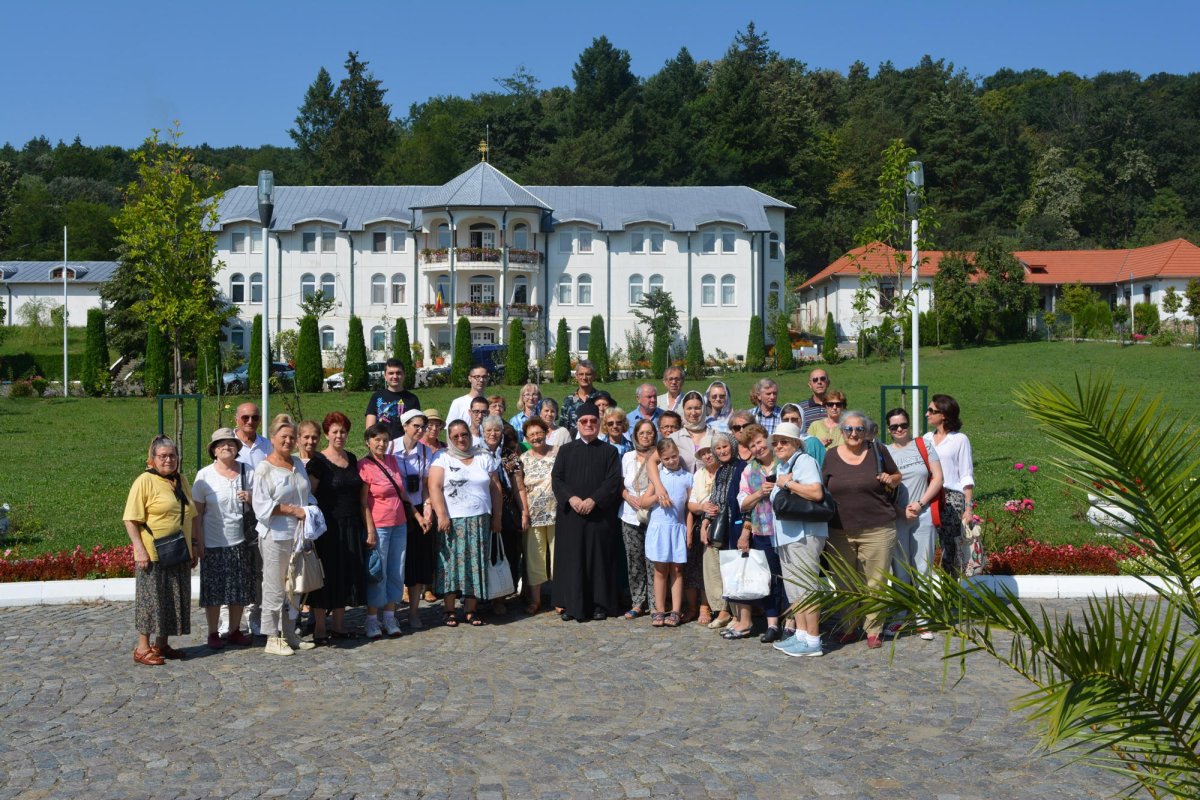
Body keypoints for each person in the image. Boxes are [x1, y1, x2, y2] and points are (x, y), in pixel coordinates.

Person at [822, 410, 902, 649]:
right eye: (848, 429)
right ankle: (849, 626)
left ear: (866, 431)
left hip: (878, 528)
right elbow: (822, 488)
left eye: (859, 429)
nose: (854, 433)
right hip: (839, 530)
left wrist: (891, 479)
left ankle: (873, 630)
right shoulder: (831, 456)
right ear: (841, 431)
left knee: (875, 582)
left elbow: (897, 476)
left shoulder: (878, 450)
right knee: (844, 581)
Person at [123, 435, 200, 666]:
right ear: (153, 458)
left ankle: (161, 644)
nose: (168, 460)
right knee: (151, 600)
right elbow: (130, 519)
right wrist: (139, 549)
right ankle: (142, 648)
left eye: (172, 455)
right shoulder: (144, 481)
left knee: (172, 598)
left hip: (178, 550)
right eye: (163, 456)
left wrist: (195, 545)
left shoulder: (180, 480)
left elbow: (192, 514)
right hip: (153, 553)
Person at [251, 415, 318, 656]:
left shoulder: (297, 463)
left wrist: (311, 511)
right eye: (283, 437)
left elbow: (306, 494)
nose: (288, 441)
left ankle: (290, 633)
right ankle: (272, 637)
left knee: (295, 586)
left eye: (292, 437)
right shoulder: (264, 469)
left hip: (299, 534)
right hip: (275, 535)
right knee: (275, 585)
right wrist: (293, 510)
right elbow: (261, 505)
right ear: (272, 439)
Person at [551, 402, 624, 622]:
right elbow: (557, 478)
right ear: (578, 424)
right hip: (571, 515)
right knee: (572, 559)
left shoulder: (609, 452)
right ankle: (571, 604)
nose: (589, 424)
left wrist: (594, 500)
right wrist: (571, 498)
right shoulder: (566, 451)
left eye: (593, 420)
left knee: (598, 560)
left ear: (599, 423)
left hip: (598, 515)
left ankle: (600, 604)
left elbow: (612, 481)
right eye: (584, 421)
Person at [427, 420, 503, 627]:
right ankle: (449, 609)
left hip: (480, 520)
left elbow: (495, 488)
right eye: (455, 436)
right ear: (450, 439)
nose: (461, 439)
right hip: (453, 521)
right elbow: (434, 487)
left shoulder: (483, 457)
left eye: (464, 435)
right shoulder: (442, 457)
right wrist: (441, 514)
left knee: (475, 564)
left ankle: (471, 609)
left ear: (470, 435)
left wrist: (497, 516)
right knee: (451, 565)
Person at [766, 422, 828, 657]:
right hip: (788, 535)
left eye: (784, 441)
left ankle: (813, 639)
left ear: (796, 443)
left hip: (804, 533)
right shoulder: (784, 465)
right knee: (794, 588)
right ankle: (801, 634)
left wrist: (787, 483)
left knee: (806, 586)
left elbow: (816, 492)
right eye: (776, 442)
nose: (779, 446)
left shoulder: (804, 461)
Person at [305, 412, 367, 643]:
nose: (339, 435)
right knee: (326, 577)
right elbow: (309, 495)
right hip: (328, 528)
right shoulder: (318, 462)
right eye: (335, 431)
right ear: (327, 434)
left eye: (343, 431)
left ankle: (339, 626)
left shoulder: (351, 458)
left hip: (351, 525)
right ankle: (320, 628)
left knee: (345, 574)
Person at [192, 428, 256, 650]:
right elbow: (197, 513)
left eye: (230, 443)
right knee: (214, 591)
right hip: (213, 542)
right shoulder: (204, 476)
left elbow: (262, 502)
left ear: (237, 448)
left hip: (241, 540)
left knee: (238, 589)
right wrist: (198, 541)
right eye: (221, 444)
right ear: (214, 450)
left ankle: (235, 630)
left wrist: (251, 498)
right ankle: (213, 632)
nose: (226, 447)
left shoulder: (248, 471)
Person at [884, 407, 944, 640]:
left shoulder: (923, 445)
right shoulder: (885, 452)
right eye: (894, 426)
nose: (899, 429)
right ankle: (900, 615)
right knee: (900, 569)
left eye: (903, 425)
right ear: (888, 429)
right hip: (898, 517)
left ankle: (923, 617)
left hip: (923, 514)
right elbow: (881, 489)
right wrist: (900, 511)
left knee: (922, 567)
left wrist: (920, 503)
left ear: (909, 425)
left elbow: (938, 478)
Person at [359, 422, 413, 639]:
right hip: (379, 525)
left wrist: (416, 514)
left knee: (396, 570)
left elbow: (402, 492)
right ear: (368, 442)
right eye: (377, 440)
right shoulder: (364, 466)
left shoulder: (392, 460)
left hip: (399, 523)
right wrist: (370, 530)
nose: (381, 444)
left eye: (385, 440)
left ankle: (390, 616)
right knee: (377, 573)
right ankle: (372, 619)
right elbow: (363, 502)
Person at [735, 424, 786, 643]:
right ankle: (772, 623)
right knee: (770, 579)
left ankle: (792, 622)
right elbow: (743, 503)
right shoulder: (749, 470)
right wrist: (759, 493)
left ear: (767, 439)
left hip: (788, 530)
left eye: (759, 442)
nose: (757, 448)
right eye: (752, 446)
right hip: (763, 531)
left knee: (790, 579)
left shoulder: (784, 462)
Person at [222, 401, 269, 638]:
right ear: (236, 419)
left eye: (255, 418)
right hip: (230, 516)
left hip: (259, 517)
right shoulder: (227, 444)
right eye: (245, 418)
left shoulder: (266, 446)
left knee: (258, 570)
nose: (250, 422)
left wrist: (255, 497)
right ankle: (226, 621)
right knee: (231, 570)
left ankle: (255, 617)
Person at [393, 409, 437, 629]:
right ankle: (390, 613)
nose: (420, 430)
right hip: (397, 509)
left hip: (419, 506)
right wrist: (417, 513)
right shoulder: (390, 448)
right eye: (416, 426)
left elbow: (426, 485)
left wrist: (428, 508)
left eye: (423, 426)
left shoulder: (426, 452)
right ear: (405, 426)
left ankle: (413, 612)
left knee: (417, 562)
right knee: (396, 562)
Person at [643, 439, 692, 627]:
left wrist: (688, 531)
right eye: (666, 459)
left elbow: (688, 508)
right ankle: (660, 609)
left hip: (677, 528)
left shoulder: (687, 477)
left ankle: (676, 610)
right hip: (660, 528)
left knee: (677, 570)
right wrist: (657, 496)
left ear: (678, 454)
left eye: (674, 457)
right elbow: (643, 502)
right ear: (660, 459)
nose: (671, 461)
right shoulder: (658, 477)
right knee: (660, 570)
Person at [924, 394, 976, 576]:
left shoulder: (959, 440)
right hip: (929, 496)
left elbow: (966, 475)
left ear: (944, 415)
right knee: (926, 546)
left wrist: (968, 508)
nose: (927, 414)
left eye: (931, 410)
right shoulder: (926, 438)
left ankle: (950, 588)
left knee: (950, 548)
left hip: (951, 499)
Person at [703, 431, 747, 637]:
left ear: (733, 446)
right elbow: (714, 498)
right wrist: (706, 520)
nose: (721, 451)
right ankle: (723, 610)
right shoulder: (720, 470)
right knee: (716, 566)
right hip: (720, 526)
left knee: (735, 571)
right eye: (718, 448)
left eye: (725, 446)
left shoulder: (742, 467)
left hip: (736, 525)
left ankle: (737, 615)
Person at [482, 416, 526, 616]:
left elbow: (519, 487)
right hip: (482, 508)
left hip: (507, 510)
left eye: (497, 430)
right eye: (489, 430)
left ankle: (501, 597)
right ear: (482, 432)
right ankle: (482, 596)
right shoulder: (475, 453)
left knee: (506, 552)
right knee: (483, 553)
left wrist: (524, 512)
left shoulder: (510, 456)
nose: (493, 434)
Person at [618, 419, 659, 620]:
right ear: (635, 436)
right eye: (641, 433)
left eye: (649, 433)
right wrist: (627, 497)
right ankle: (637, 601)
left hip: (654, 515)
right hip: (629, 515)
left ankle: (655, 602)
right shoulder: (627, 457)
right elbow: (619, 483)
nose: (645, 436)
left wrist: (647, 500)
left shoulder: (659, 457)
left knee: (653, 561)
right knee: (634, 560)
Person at [519, 416, 558, 614]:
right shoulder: (523, 459)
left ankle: (560, 598)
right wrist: (524, 512)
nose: (536, 437)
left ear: (546, 433)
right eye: (531, 435)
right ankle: (536, 600)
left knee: (558, 557)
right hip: (534, 515)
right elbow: (520, 488)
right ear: (526, 438)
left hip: (557, 514)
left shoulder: (558, 452)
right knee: (535, 558)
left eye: (539, 433)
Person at [687, 436, 722, 627]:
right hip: (701, 522)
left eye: (710, 451)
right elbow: (691, 503)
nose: (707, 456)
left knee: (717, 567)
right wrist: (702, 507)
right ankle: (703, 605)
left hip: (721, 522)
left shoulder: (724, 471)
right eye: (703, 453)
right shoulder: (698, 475)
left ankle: (720, 606)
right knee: (700, 567)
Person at [364, 358, 421, 440]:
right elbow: (369, 427)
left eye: (398, 373)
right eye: (391, 373)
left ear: (404, 375)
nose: (395, 376)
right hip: (381, 444)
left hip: (404, 445)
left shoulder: (412, 399)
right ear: (385, 376)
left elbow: (417, 427)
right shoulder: (377, 397)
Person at [560, 360, 600, 436]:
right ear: (576, 376)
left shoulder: (600, 399)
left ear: (594, 376)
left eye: (588, 374)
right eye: (581, 374)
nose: (584, 377)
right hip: (573, 441)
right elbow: (563, 428)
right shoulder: (568, 401)